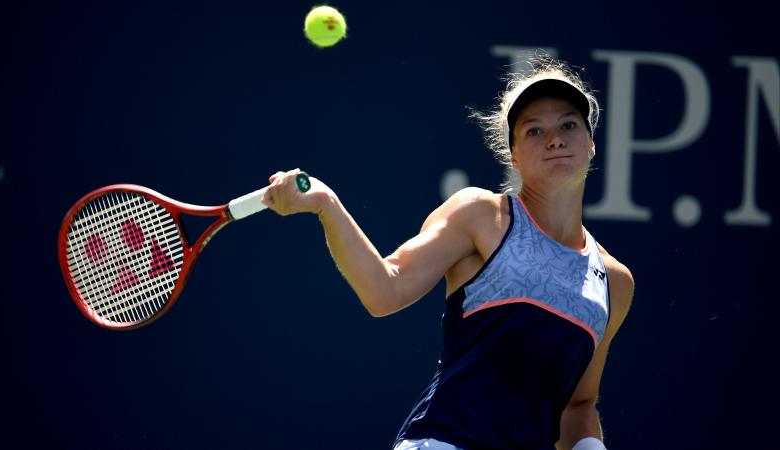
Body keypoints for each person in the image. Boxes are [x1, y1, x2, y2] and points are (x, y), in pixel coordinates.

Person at [262, 56, 634, 450]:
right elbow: (384, 290)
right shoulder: (481, 215)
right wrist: (328, 205)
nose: (554, 139)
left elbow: (577, 404)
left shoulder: (614, 281)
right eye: (534, 131)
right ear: (514, 157)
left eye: (568, 125)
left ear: (591, 145)